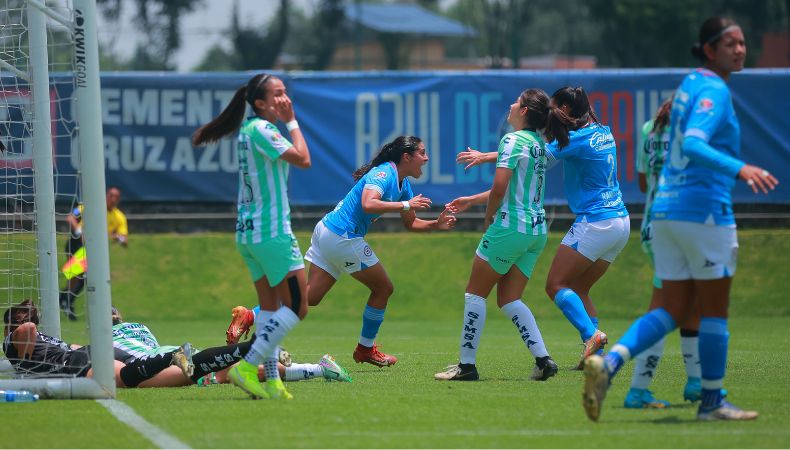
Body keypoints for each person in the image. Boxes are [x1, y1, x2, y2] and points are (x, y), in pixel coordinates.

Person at [582, 17, 777, 422]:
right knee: (713, 311)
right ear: (709, 49)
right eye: (729, 44)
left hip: (664, 213)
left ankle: (611, 364)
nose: (739, 50)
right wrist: (741, 168)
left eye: (742, 42)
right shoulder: (714, 89)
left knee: (670, 309)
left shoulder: (689, 84)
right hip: (702, 212)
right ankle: (711, 402)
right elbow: (693, 143)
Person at [193, 73, 312, 400]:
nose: (284, 98)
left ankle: (272, 381)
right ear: (260, 103)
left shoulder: (247, 130)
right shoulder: (263, 129)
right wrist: (293, 121)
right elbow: (304, 159)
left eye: (285, 92)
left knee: (270, 310)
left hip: (248, 233)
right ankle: (248, 366)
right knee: (299, 307)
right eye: (277, 94)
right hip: (271, 233)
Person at [433, 89, 558, 382]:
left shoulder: (511, 140)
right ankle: (543, 360)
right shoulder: (539, 143)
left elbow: (501, 188)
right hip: (536, 231)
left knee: (475, 293)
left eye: (517, 101)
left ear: (524, 110)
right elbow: (516, 189)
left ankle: (466, 366)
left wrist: (489, 217)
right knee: (510, 298)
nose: (512, 104)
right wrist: (472, 200)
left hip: (510, 227)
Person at [304, 136, 456, 367]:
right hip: (343, 235)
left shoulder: (403, 184)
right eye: (422, 153)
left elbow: (411, 223)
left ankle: (250, 315)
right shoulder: (384, 174)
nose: (426, 158)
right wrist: (407, 205)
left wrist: (437, 224)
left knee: (310, 298)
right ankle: (365, 349)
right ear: (406, 157)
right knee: (383, 288)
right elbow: (368, 203)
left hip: (328, 230)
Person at [541, 87, 630, 369]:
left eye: (554, 108)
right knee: (579, 287)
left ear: (566, 109)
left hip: (596, 220)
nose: (550, 114)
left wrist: (488, 157)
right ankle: (595, 356)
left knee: (555, 285)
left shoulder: (576, 140)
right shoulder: (604, 131)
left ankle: (591, 335)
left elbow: (531, 155)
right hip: (621, 222)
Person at [110, 306, 352, 386]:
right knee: (246, 372)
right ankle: (320, 368)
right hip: (174, 352)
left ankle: (256, 347)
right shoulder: (139, 327)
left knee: (133, 382)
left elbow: (118, 363)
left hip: (162, 363)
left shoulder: (107, 338)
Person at [3, 299, 194, 389]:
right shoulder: (137, 325)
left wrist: (25, 357)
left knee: (130, 378)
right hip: (91, 352)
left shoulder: (13, 338)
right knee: (138, 374)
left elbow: (27, 327)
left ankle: (175, 360)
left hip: (78, 360)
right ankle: (190, 370)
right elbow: (72, 346)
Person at [59, 187, 129, 321]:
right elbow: (71, 218)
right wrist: (80, 232)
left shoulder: (119, 216)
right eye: (111, 195)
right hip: (76, 244)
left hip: (93, 248)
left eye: (116, 197)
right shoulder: (89, 205)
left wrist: (119, 238)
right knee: (80, 275)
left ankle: (65, 299)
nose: (113, 199)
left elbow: (124, 237)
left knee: (83, 277)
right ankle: (65, 300)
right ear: (106, 195)